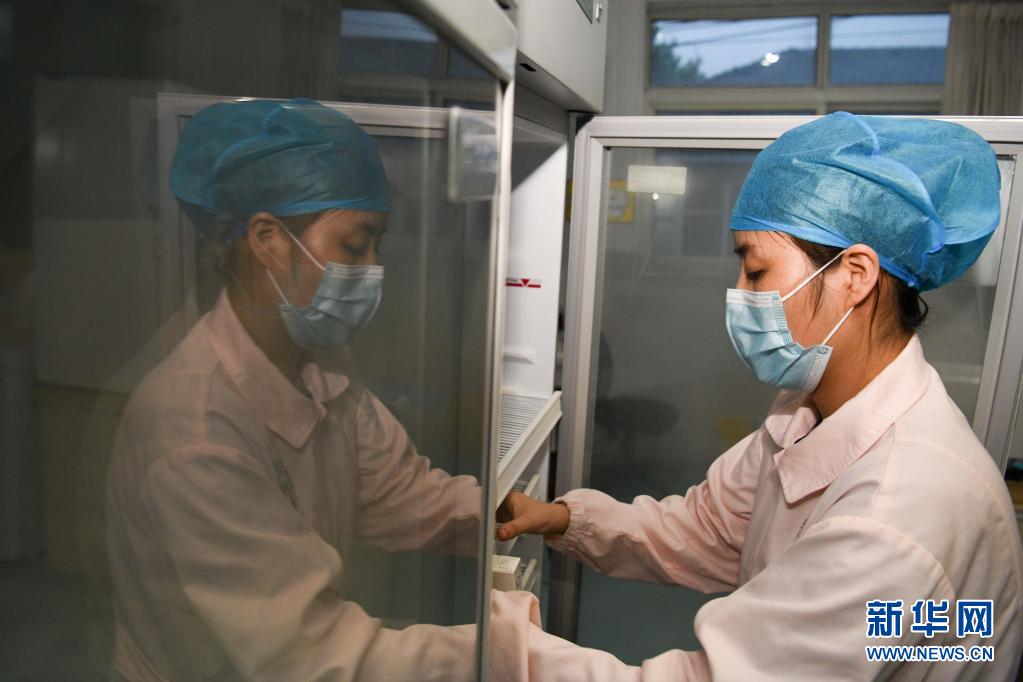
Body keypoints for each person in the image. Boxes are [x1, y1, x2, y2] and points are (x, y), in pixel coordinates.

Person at [498, 112, 1023, 680]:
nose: (739, 294)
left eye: (755, 270)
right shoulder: (810, 409)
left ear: (855, 275)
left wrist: (491, 655)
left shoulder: (894, 517)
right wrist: (561, 519)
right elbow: (710, 531)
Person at [105, 98, 522, 681]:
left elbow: (398, 492)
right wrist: (513, 656)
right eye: (355, 245)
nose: (373, 269)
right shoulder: (193, 431)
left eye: (378, 245)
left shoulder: (317, 358)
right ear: (267, 239)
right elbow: (313, 655)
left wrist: (519, 515)